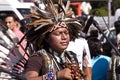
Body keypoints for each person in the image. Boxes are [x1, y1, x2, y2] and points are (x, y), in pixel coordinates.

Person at [24, 0, 90, 80]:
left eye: (66, 33)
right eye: (58, 33)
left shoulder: (71, 56)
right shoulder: (38, 58)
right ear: (46, 38)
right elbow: (28, 78)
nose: (64, 37)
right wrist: (56, 76)